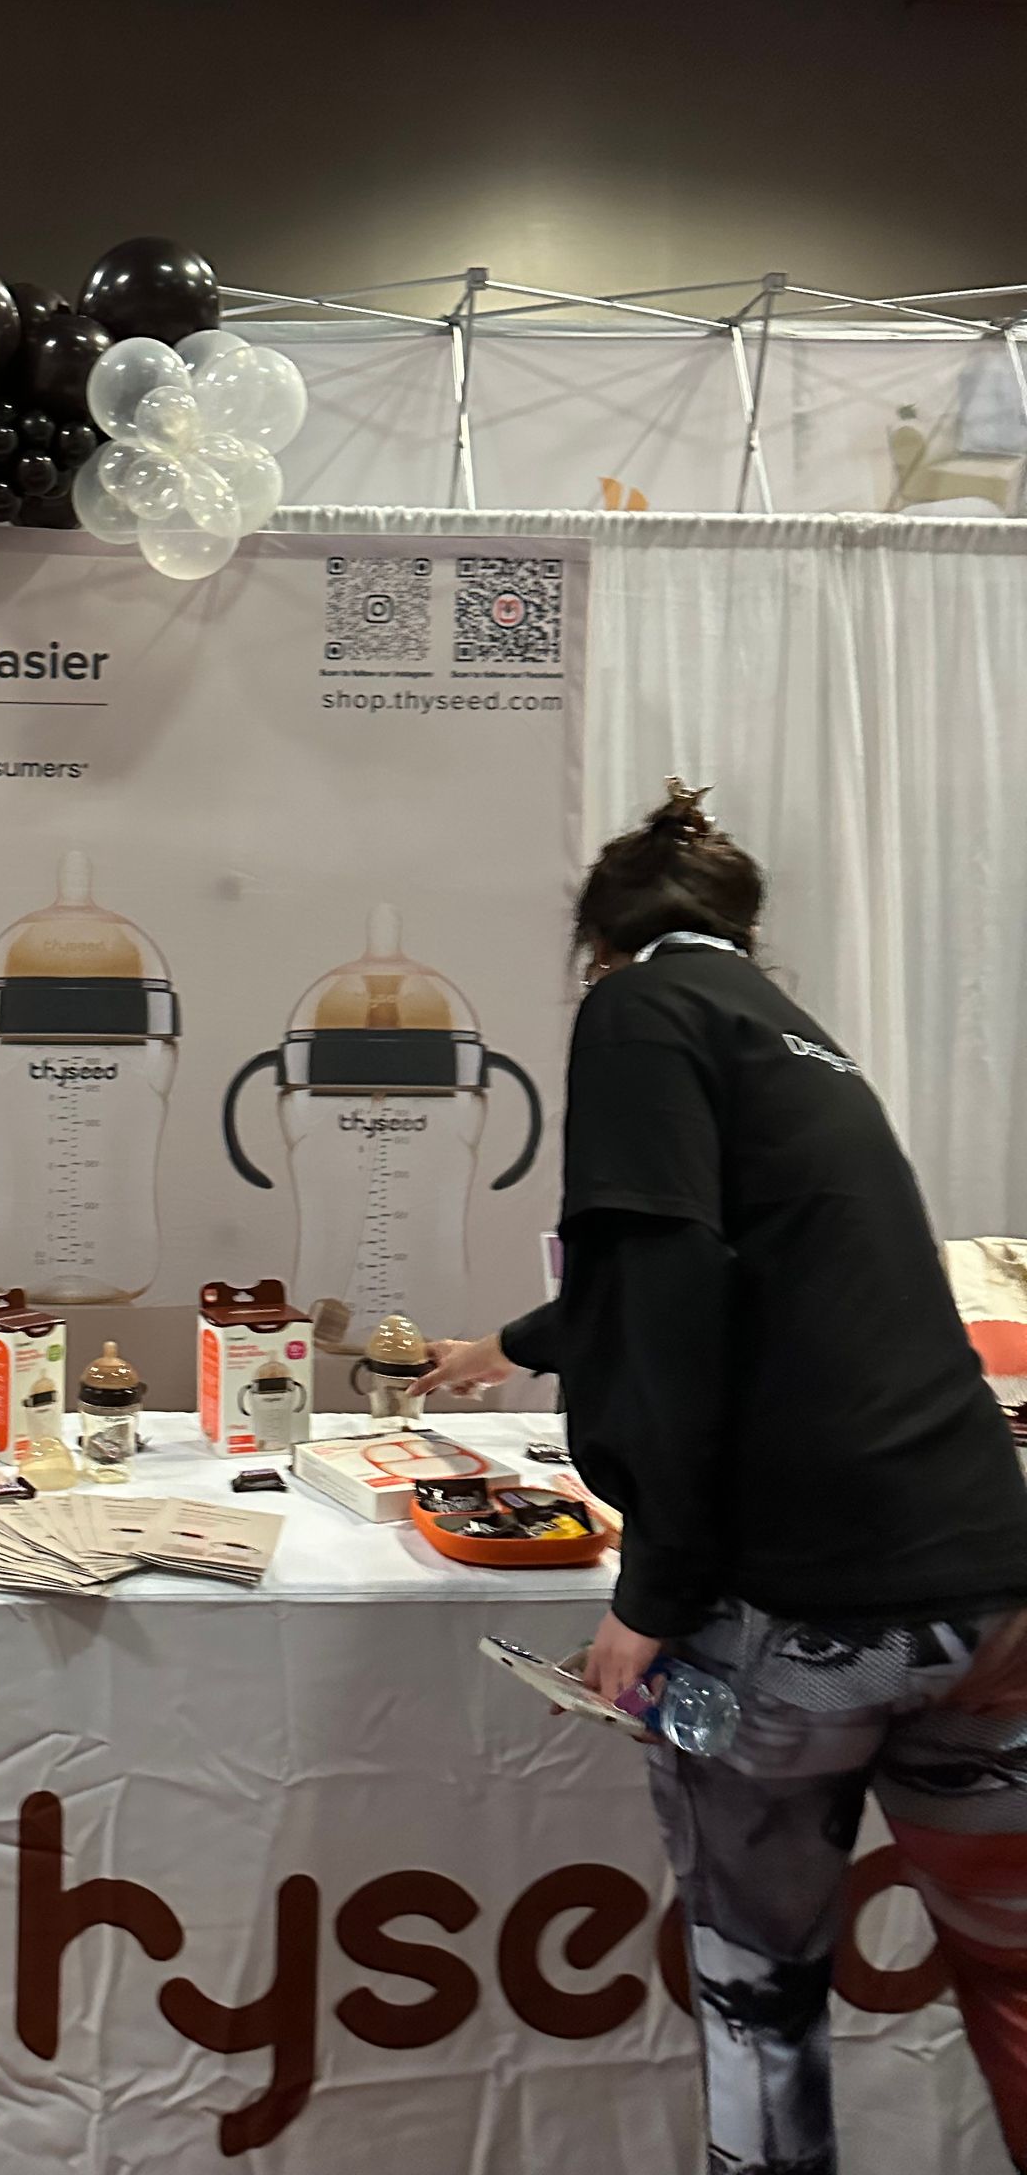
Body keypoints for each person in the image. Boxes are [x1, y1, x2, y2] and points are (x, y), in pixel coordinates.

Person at [425, 780, 1027, 2175]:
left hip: (812, 1608)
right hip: (990, 1591)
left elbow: (674, 1282)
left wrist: (658, 1583)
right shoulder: (795, 1037)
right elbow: (733, 1273)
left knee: (766, 2005)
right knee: (1013, 1980)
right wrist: (508, 1345)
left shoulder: (637, 1014)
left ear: (598, 953)